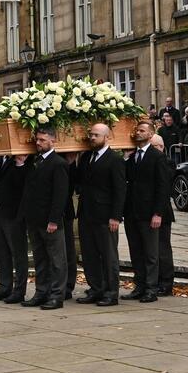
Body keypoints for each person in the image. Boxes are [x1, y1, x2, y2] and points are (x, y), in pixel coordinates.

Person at [72, 124, 126, 306]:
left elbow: (120, 190)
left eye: (96, 135)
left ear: (106, 137)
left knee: (108, 255)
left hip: (105, 216)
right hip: (86, 213)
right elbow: (78, 181)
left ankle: (111, 292)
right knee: (89, 254)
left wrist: (116, 216)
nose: (92, 138)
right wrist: (72, 162)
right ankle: (95, 288)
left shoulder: (114, 159)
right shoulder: (86, 156)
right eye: (91, 134)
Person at [20, 128, 70, 310]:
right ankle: (41, 292)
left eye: (42, 140)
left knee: (57, 260)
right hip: (34, 219)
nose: (38, 143)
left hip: (50, 221)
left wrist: (54, 220)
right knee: (40, 259)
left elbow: (60, 194)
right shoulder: (34, 161)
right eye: (37, 140)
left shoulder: (58, 163)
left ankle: (57, 295)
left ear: (52, 141)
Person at [123, 121, 172, 303]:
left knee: (151, 253)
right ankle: (140, 285)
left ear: (151, 134)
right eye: (137, 130)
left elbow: (162, 187)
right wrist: (127, 159)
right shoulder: (133, 156)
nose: (138, 132)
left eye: (142, 130)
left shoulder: (157, 157)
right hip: (132, 212)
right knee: (136, 251)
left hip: (149, 213)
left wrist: (158, 213)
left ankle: (151, 288)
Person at [0, 153, 30, 303]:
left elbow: (24, 184)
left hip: (14, 214)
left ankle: (19, 290)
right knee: (1, 253)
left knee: (18, 253)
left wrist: (21, 164)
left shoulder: (22, 158)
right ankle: (4, 287)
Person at [149, 134, 177, 296]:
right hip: (148, 211)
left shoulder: (167, 162)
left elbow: (165, 184)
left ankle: (166, 283)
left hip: (162, 213)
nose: (155, 151)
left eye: (157, 147)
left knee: (162, 248)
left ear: (163, 147)